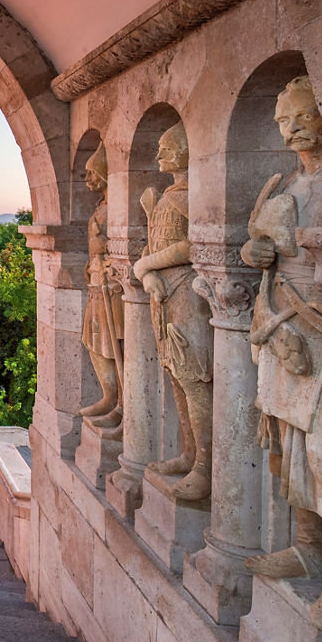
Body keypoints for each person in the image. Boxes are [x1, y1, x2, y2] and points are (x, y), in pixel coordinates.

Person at [241, 76, 322, 635]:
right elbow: (259, 250)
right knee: (288, 451)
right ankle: (309, 549)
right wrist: (255, 251)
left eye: (304, 115)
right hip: (283, 328)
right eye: (284, 121)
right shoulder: (282, 183)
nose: (292, 129)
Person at [132, 122, 213, 501]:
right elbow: (154, 244)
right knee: (176, 376)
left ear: (187, 150)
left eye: (167, 148)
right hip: (163, 297)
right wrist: (148, 274)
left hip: (188, 297)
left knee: (194, 378)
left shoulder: (193, 195)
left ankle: (206, 467)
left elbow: (193, 245)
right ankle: (188, 454)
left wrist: (147, 265)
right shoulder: (167, 196)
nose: (159, 155)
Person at [78, 142, 123, 436]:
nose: (88, 179)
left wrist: (105, 248)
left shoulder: (120, 206)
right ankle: (109, 397)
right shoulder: (101, 207)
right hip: (96, 281)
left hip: (112, 286)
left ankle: (122, 406)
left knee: (116, 345)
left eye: (92, 173)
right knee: (94, 341)